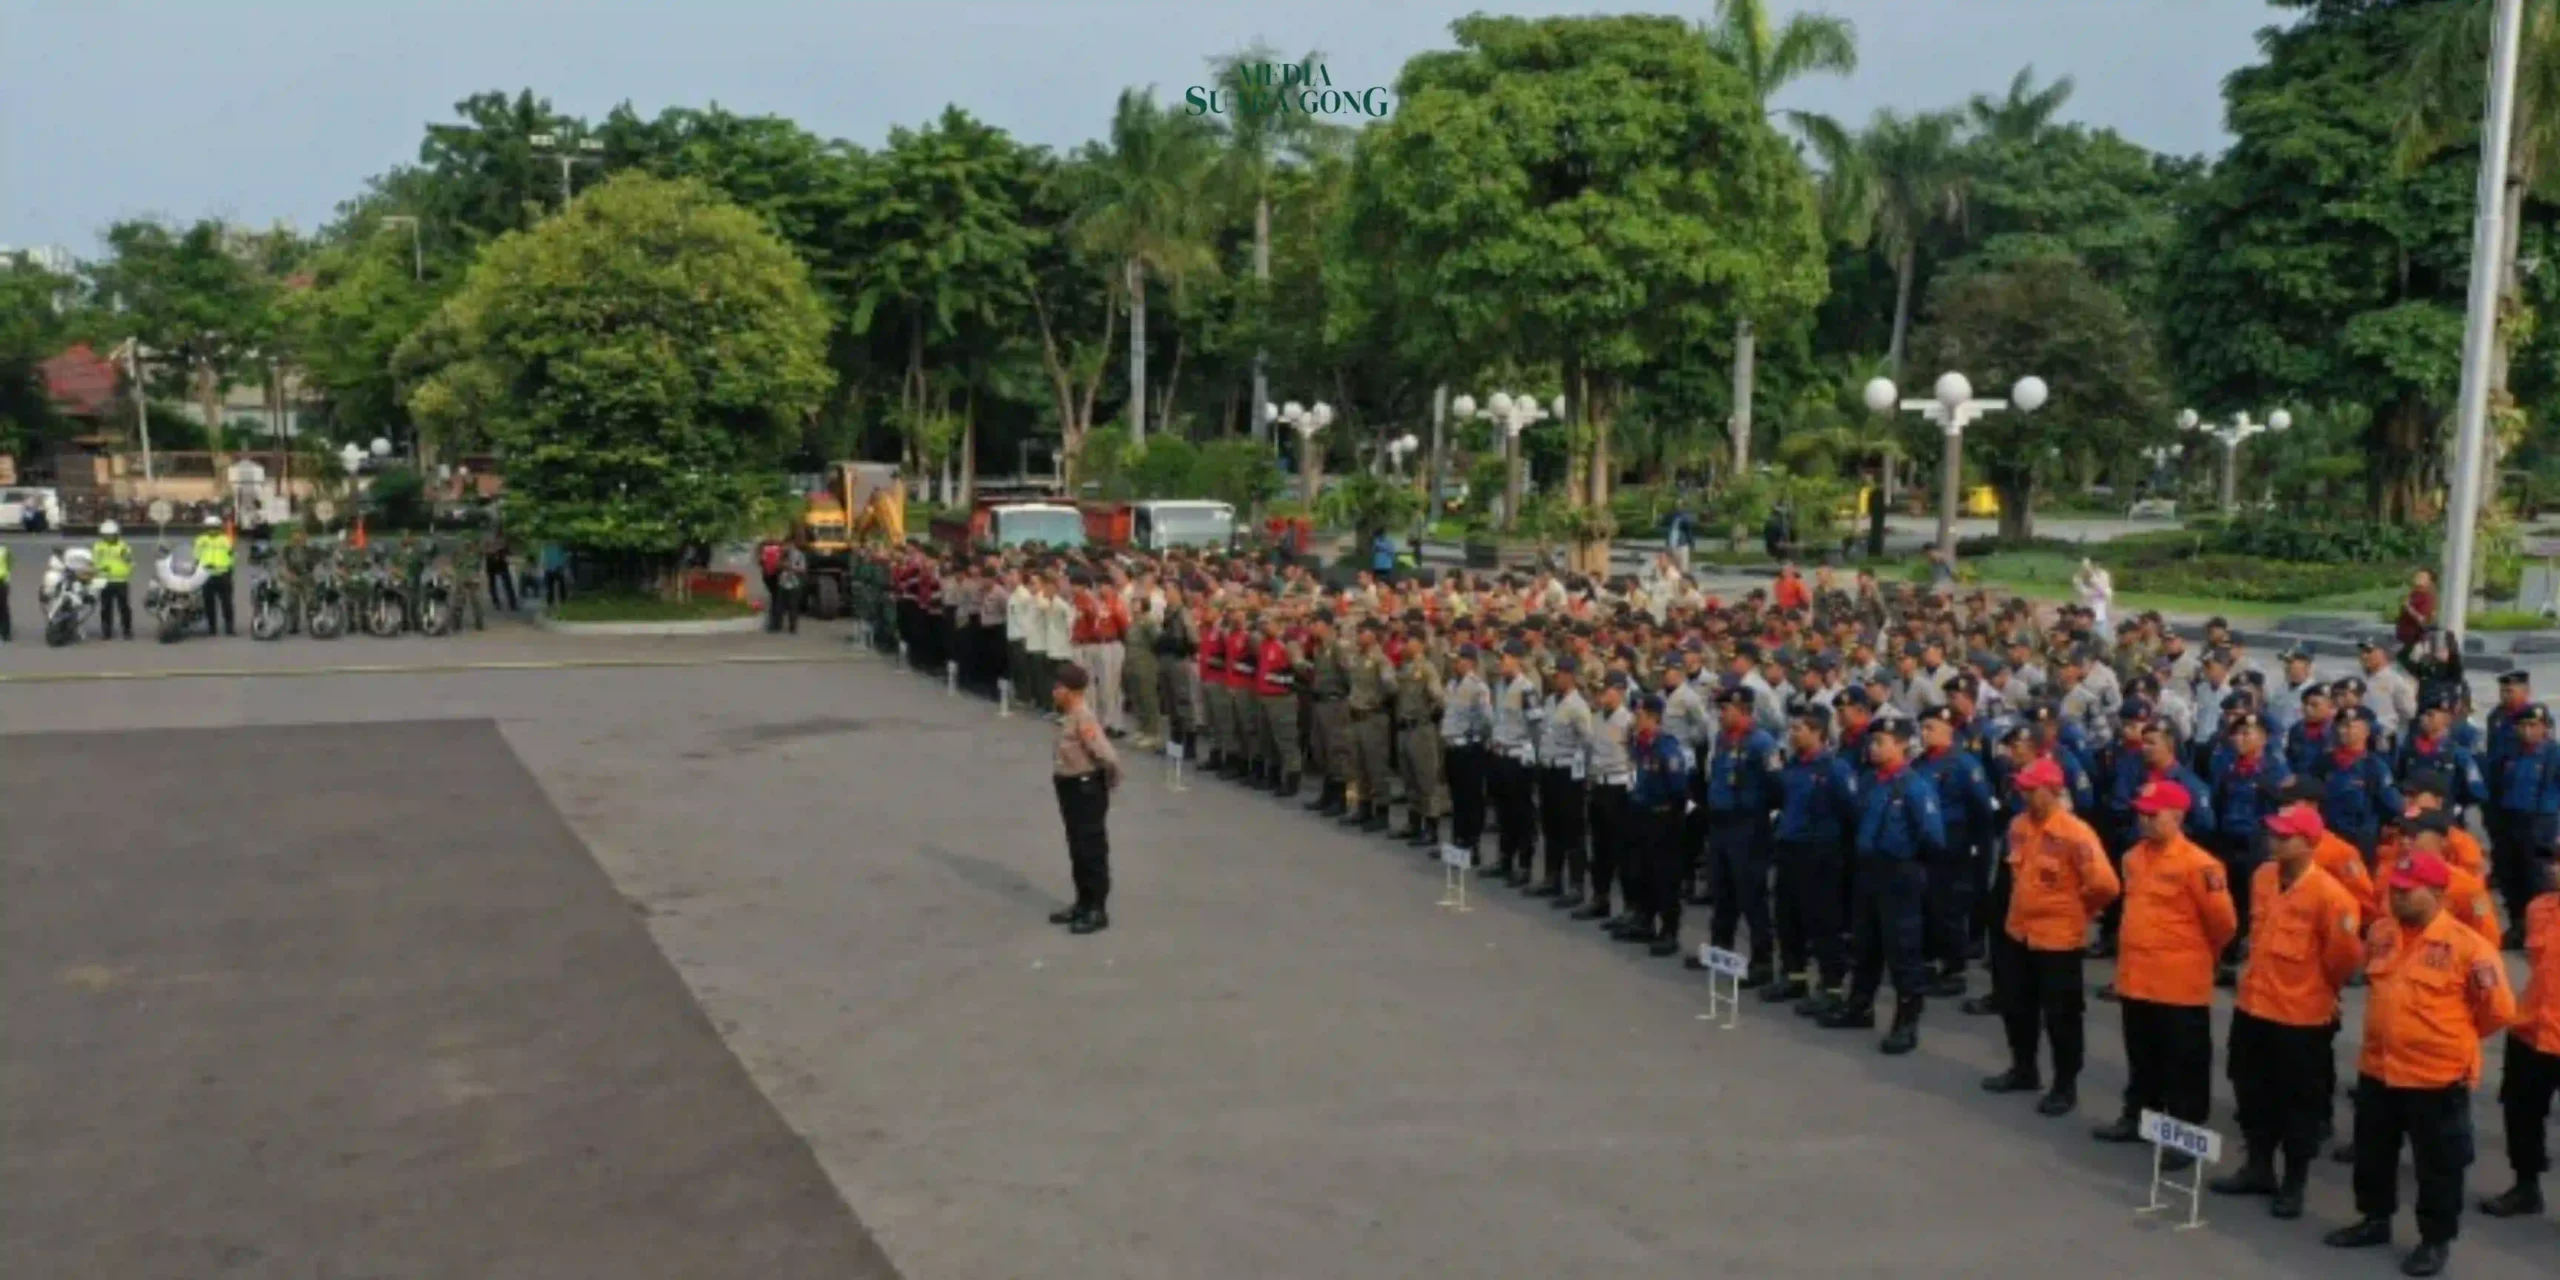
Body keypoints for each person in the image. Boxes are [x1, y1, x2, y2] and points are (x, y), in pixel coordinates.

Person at [2325, 850, 2517, 1277]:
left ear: (2437, 893)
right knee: (2374, 1155)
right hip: (2379, 1069)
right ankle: (2374, 1220)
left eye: (2408, 892)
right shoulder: (2381, 933)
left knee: (2438, 1166)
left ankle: (2434, 1240)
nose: (2397, 897)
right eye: (2394, 889)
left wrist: (2449, 1040)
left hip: (2436, 1078)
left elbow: (2497, 1011)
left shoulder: (2469, 948)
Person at [2211, 802, 2364, 1219]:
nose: (2274, 841)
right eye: (2273, 833)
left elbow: (2344, 959)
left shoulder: (2331, 897)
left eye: (2284, 836)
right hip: (2254, 1006)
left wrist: (2315, 990)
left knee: (2298, 1105)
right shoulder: (2262, 878)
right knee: (2250, 1090)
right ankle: (2258, 1167)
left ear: (2309, 843)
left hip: (2301, 1017)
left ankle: (2294, 1183)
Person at [2094, 779, 2237, 1157]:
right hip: (2137, 977)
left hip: (2179, 980)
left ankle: (2185, 1134)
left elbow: (2224, 924)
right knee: (2143, 1054)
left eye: (2152, 814)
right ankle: (2139, 1116)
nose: (2144, 820)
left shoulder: (2200, 865)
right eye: (2141, 813)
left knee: (2184, 1062)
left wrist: (2198, 956)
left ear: (2177, 816)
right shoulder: (2133, 857)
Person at [1981, 756, 2117, 1115]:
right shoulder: (2019, 826)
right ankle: (2023, 1069)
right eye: (2022, 787)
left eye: (2031, 788)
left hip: (2058, 939)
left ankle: (2064, 1085)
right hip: (2019, 932)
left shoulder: (2075, 833)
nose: (2023, 793)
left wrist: (2078, 910)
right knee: (2016, 1007)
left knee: (2062, 1016)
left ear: (2052, 790)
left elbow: (2104, 885)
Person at [1818, 716, 1943, 1054]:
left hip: (1899, 874)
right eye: (1872, 742)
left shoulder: (1915, 786)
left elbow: (1933, 838)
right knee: (1865, 944)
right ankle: (1860, 1006)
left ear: (1902, 744)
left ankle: (1907, 1021)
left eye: (1882, 742)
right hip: (1868, 871)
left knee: (1902, 950)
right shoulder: (1871, 781)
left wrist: (1907, 865)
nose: (1873, 748)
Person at [2480, 858, 2558, 1220]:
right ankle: (2525, 1186)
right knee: (2521, 1111)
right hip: (2532, 1027)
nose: (2555, 869)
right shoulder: (2540, 908)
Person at [1768, 705, 1856, 1009]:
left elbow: (1849, 811)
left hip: (1819, 854)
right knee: (1787, 917)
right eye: (1792, 729)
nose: (1792, 735)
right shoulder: (1792, 766)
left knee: (1822, 921)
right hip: (1790, 848)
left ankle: (1831, 986)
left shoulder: (1834, 768)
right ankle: (1794, 977)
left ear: (1817, 732)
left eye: (1798, 729)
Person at [1696, 686, 1780, 984]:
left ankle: (1762, 960)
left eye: (1726, 709)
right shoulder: (1722, 739)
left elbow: (1775, 786)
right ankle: (1721, 948)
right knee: (1722, 890)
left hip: (1748, 826)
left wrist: (1755, 809)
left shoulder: (1761, 743)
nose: (1721, 714)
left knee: (1751, 894)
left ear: (1743, 710)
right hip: (1721, 823)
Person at [1046, 663, 1123, 935]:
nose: (1054, 691)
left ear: (1071, 691)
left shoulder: (1083, 717)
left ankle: (1097, 909)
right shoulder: (1066, 715)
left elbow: (1107, 755)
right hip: (1069, 785)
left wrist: (1106, 782)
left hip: (1085, 787)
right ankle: (1082, 901)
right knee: (1077, 848)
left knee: (1091, 849)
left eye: (1059, 687)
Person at [1626, 692, 1696, 958]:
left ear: (1653, 717)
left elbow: (1679, 789)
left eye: (1640, 715)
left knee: (1664, 875)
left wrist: (1671, 819)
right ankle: (1645, 920)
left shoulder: (1667, 747)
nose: (1636, 719)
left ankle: (1669, 930)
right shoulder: (1641, 745)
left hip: (1662, 817)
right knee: (1641, 870)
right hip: (1642, 813)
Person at [1440, 645, 1495, 868]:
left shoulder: (1477, 687)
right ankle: (1458, 842)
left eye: (1461, 660)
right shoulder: (1452, 684)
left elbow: (1487, 719)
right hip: (1453, 747)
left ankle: (1472, 845)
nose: (1457, 663)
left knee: (1472, 799)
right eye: (1456, 660)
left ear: (1471, 662)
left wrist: (1476, 737)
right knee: (1458, 798)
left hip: (1469, 748)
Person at [92, 520, 133, 640]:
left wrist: (127, 563)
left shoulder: (123, 546)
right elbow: (94, 562)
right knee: (105, 608)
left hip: (121, 580)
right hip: (105, 581)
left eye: (112, 534)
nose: (109, 537)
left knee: (124, 607)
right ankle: (106, 632)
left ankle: (127, 631)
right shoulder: (98, 546)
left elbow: (130, 561)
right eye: (107, 535)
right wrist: (99, 570)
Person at [193, 521, 235, 636]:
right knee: (208, 603)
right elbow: (196, 556)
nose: (212, 529)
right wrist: (196, 570)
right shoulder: (200, 540)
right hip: (206, 574)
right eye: (210, 527)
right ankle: (212, 627)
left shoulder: (225, 540)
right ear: (206, 528)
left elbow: (231, 555)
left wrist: (230, 570)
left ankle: (229, 627)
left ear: (218, 527)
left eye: (214, 527)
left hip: (223, 573)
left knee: (227, 603)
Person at [2397, 568, 2437, 649]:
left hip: (2417, 641)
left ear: (2429, 582)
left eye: (2422, 577)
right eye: (2418, 575)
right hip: (2405, 638)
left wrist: (2409, 607)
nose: (2418, 578)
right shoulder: (2414, 593)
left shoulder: (2427, 597)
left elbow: (2423, 620)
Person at [2073, 558, 2114, 630]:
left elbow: (2102, 591)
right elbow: (2080, 587)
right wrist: (2086, 570)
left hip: (2099, 618)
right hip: (2085, 618)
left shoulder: (2107, 588)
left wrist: (2091, 574)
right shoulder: (2081, 583)